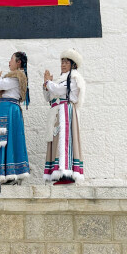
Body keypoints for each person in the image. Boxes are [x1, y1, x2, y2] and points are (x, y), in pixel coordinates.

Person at [42, 49, 86, 185]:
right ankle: (60, 173)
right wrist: (46, 85)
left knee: (65, 141)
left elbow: (60, 90)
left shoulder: (74, 78)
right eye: (62, 62)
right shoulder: (60, 80)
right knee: (57, 141)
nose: (63, 64)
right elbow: (50, 97)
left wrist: (48, 83)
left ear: (73, 64)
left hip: (66, 112)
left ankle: (67, 173)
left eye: (66, 62)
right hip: (58, 112)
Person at [0, 52, 31, 184]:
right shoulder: (14, 77)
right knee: (5, 140)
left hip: (9, 111)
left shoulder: (18, 76)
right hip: (6, 110)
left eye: (11, 59)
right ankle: (6, 172)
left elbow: (1, 85)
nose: (9, 62)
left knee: (8, 140)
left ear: (18, 62)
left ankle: (11, 173)